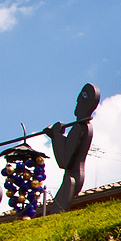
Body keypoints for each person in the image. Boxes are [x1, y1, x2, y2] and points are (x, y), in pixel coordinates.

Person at [45, 83, 99, 214]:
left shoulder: (78, 129)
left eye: (80, 101)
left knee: (56, 211)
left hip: (72, 177)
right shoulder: (84, 127)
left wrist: (56, 135)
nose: (77, 103)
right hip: (76, 175)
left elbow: (64, 161)